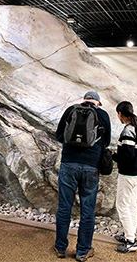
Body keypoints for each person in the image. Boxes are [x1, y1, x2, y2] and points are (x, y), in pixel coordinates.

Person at [53, 91, 111, 261]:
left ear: (84, 100)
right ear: (97, 103)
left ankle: (60, 248)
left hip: (68, 165)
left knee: (64, 207)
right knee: (87, 210)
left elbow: (59, 135)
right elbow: (106, 141)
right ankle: (82, 251)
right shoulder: (102, 114)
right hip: (90, 167)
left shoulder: (71, 110)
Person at [111, 101, 137, 253]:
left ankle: (131, 241)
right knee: (131, 204)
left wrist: (114, 156)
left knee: (122, 205)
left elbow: (128, 156)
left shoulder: (128, 131)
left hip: (128, 174)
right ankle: (129, 234)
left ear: (120, 114)